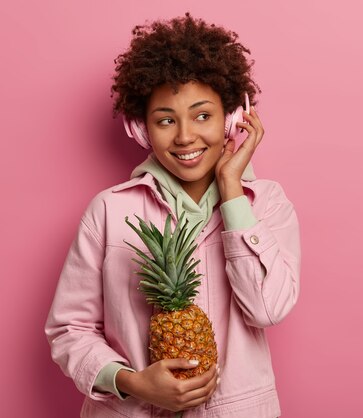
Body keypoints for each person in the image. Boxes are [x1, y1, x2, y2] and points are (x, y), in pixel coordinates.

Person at [45, 13, 300, 418]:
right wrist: (130, 382)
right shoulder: (110, 210)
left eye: (203, 115)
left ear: (232, 118)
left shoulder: (266, 204)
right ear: (142, 129)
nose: (184, 137)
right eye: (166, 120)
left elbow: (266, 309)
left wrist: (233, 191)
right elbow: (69, 329)